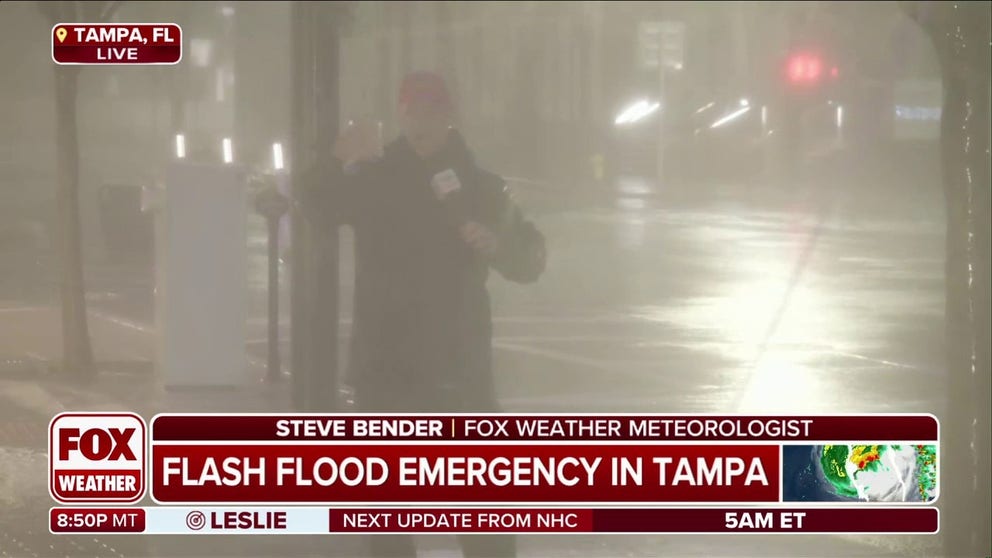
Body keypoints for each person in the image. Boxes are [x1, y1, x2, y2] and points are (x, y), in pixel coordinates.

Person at [304, 71, 545, 557]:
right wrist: (336, 157)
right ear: (400, 114)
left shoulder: (479, 186)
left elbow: (530, 257)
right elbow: (316, 206)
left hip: (458, 366)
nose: (421, 122)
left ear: (450, 117)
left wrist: (496, 244)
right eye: (412, 111)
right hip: (386, 366)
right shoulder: (371, 177)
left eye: (432, 111)